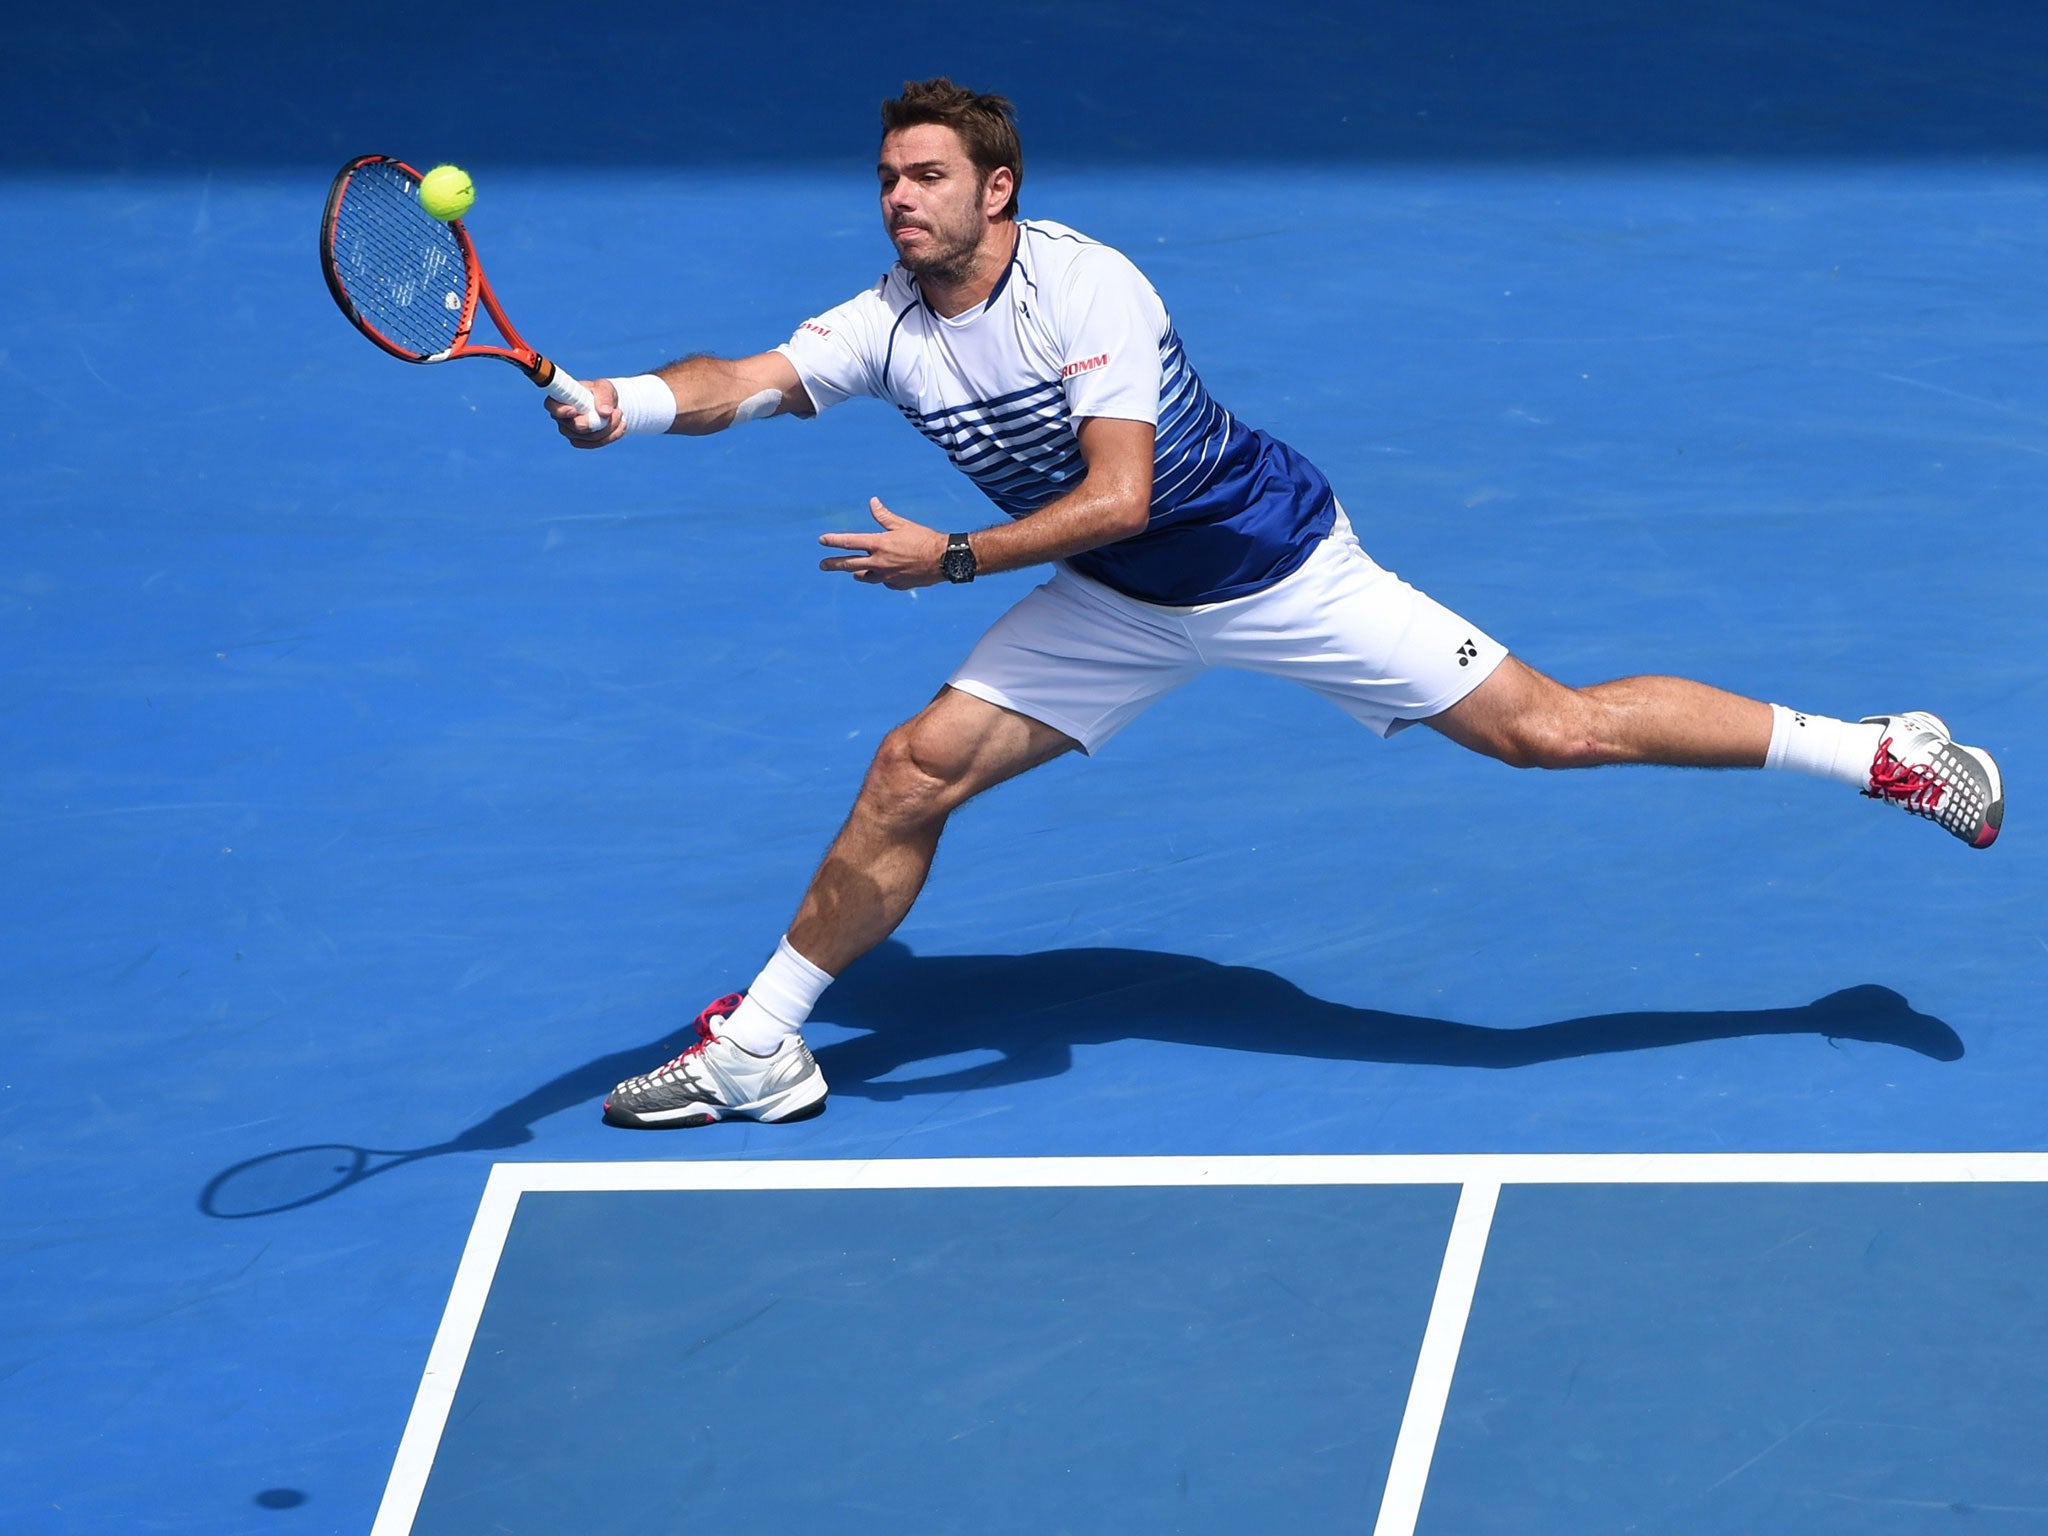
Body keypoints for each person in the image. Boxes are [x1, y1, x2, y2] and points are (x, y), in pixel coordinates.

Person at [546, 78, 2003, 1130]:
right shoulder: (885, 323)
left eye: (924, 176)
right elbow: (742, 382)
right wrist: (619, 403)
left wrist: (960, 561)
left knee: (1548, 736)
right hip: (1116, 602)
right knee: (910, 769)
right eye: (885, 178)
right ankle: (767, 1046)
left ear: (998, 189)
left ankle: (1878, 747)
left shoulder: (1089, 290)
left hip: (1273, 569)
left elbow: (1121, 493)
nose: (898, 199)